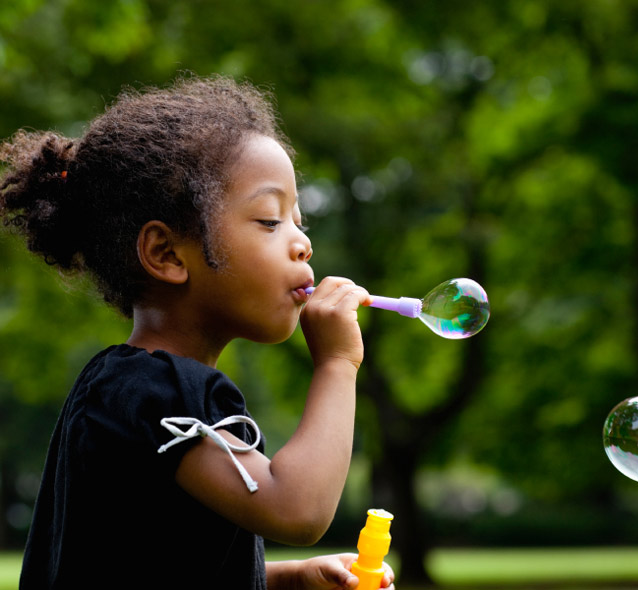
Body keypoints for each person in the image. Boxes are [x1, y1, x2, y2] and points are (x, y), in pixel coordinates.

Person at [0, 74, 395, 590]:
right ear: (166, 254)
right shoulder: (158, 392)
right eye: (271, 221)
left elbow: (164, 568)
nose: (303, 245)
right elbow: (298, 510)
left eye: (300, 222)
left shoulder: (126, 388)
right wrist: (337, 364)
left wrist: (290, 578)